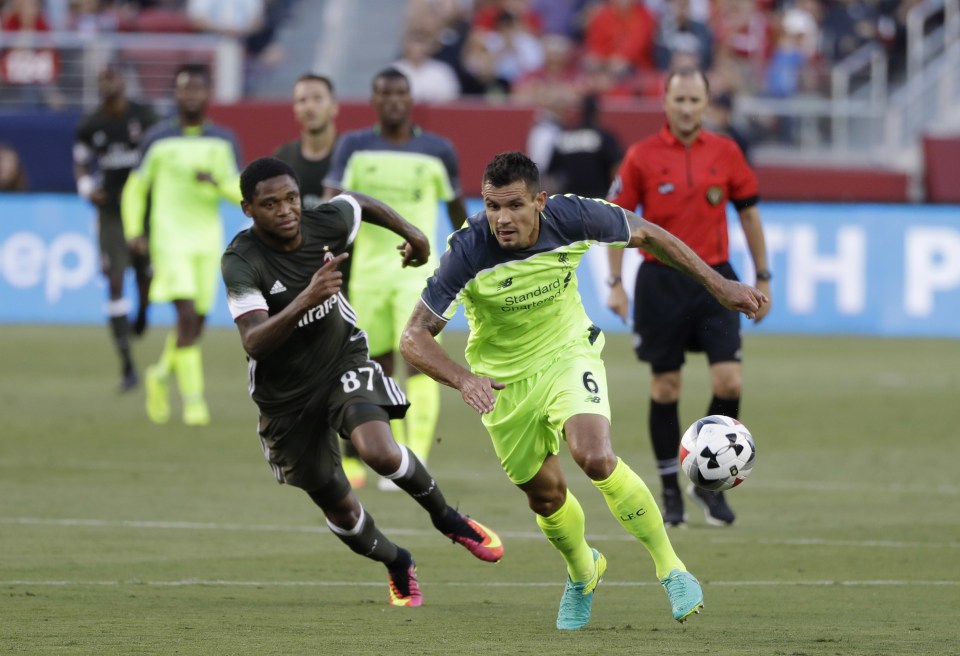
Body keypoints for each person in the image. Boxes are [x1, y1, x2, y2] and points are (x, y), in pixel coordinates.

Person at [400, 151, 768, 630]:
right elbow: (413, 337)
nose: (502, 219)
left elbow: (647, 233)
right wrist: (464, 379)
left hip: (567, 353)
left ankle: (671, 568)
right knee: (545, 497)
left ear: (540, 201)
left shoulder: (573, 215)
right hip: (501, 380)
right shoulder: (469, 249)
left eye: (514, 206)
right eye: (493, 206)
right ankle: (583, 571)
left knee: (593, 455)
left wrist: (718, 285)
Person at [222, 156, 503, 607]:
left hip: (341, 360)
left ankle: (449, 519)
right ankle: (397, 560)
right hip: (285, 399)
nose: (286, 210)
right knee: (339, 505)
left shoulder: (322, 220)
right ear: (248, 208)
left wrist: (412, 233)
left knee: (377, 449)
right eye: (270, 203)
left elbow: (357, 203)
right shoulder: (241, 261)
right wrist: (305, 299)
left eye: (291, 198)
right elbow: (254, 342)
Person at [606, 66, 772, 528]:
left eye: (693, 100)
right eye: (678, 100)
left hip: (717, 280)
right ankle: (669, 491)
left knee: (730, 383)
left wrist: (762, 276)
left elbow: (750, 216)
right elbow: (616, 224)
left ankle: (705, 482)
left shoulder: (726, 152)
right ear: (665, 102)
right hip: (660, 282)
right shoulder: (640, 157)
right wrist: (615, 284)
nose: (685, 108)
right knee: (666, 387)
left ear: (706, 103)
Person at [324, 67, 468, 488]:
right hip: (367, 276)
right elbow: (333, 204)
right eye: (384, 93)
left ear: (410, 98)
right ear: (373, 98)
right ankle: (394, 452)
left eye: (400, 93)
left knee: (421, 363)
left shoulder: (437, 149)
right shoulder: (353, 145)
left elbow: (458, 210)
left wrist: (470, 256)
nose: (393, 100)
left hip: (419, 279)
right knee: (378, 366)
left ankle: (417, 454)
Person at [121, 62, 243, 426]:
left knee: (197, 323)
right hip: (170, 238)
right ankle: (194, 402)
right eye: (184, 88)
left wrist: (216, 182)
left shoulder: (223, 140)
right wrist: (133, 232)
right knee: (186, 316)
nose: (190, 94)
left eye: (197, 88)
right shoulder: (157, 139)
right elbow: (135, 188)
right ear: (175, 94)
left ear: (208, 94)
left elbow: (240, 192)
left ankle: (159, 374)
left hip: (207, 241)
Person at [74, 66, 158, 392]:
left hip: (144, 209)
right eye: (102, 78)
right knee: (114, 279)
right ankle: (127, 366)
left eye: (113, 77)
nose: (108, 83)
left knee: (144, 275)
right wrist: (85, 187)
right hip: (110, 210)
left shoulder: (146, 118)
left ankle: (144, 312)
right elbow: (80, 161)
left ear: (124, 81)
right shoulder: (91, 125)